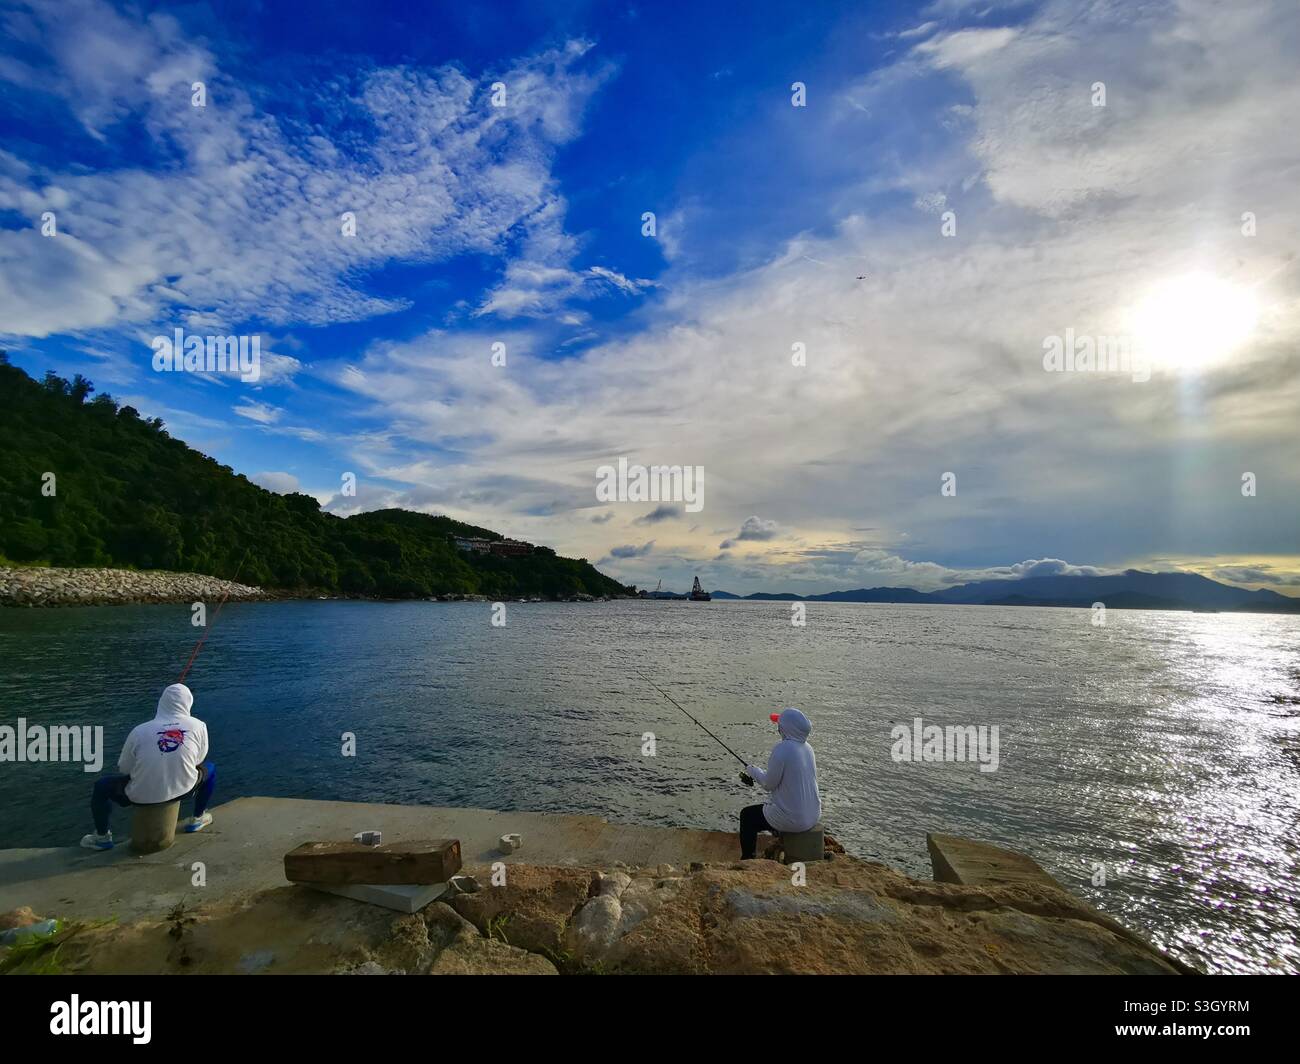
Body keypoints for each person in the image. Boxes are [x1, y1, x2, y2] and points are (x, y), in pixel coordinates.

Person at [80, 683, 215, 850]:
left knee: (101, 787)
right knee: (210, 769)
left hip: (140, 796)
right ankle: (198, 818)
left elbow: (124, 768)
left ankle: (102, 837)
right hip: (184, 789)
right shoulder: (198, 725)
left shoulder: (139, 731)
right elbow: (198, 759)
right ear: (188, 703)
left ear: (161, 703)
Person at [739, 707, 820, 859]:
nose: (778, 727)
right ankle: (778, 835)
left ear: (785, 728)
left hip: (795, 820)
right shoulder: (808, 749)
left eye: (779, 725)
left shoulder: (782, 749)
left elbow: (768, 784)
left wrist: (752, 770)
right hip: (813, 815)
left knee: (747, 816)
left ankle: (747, 860)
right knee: (770, 807)